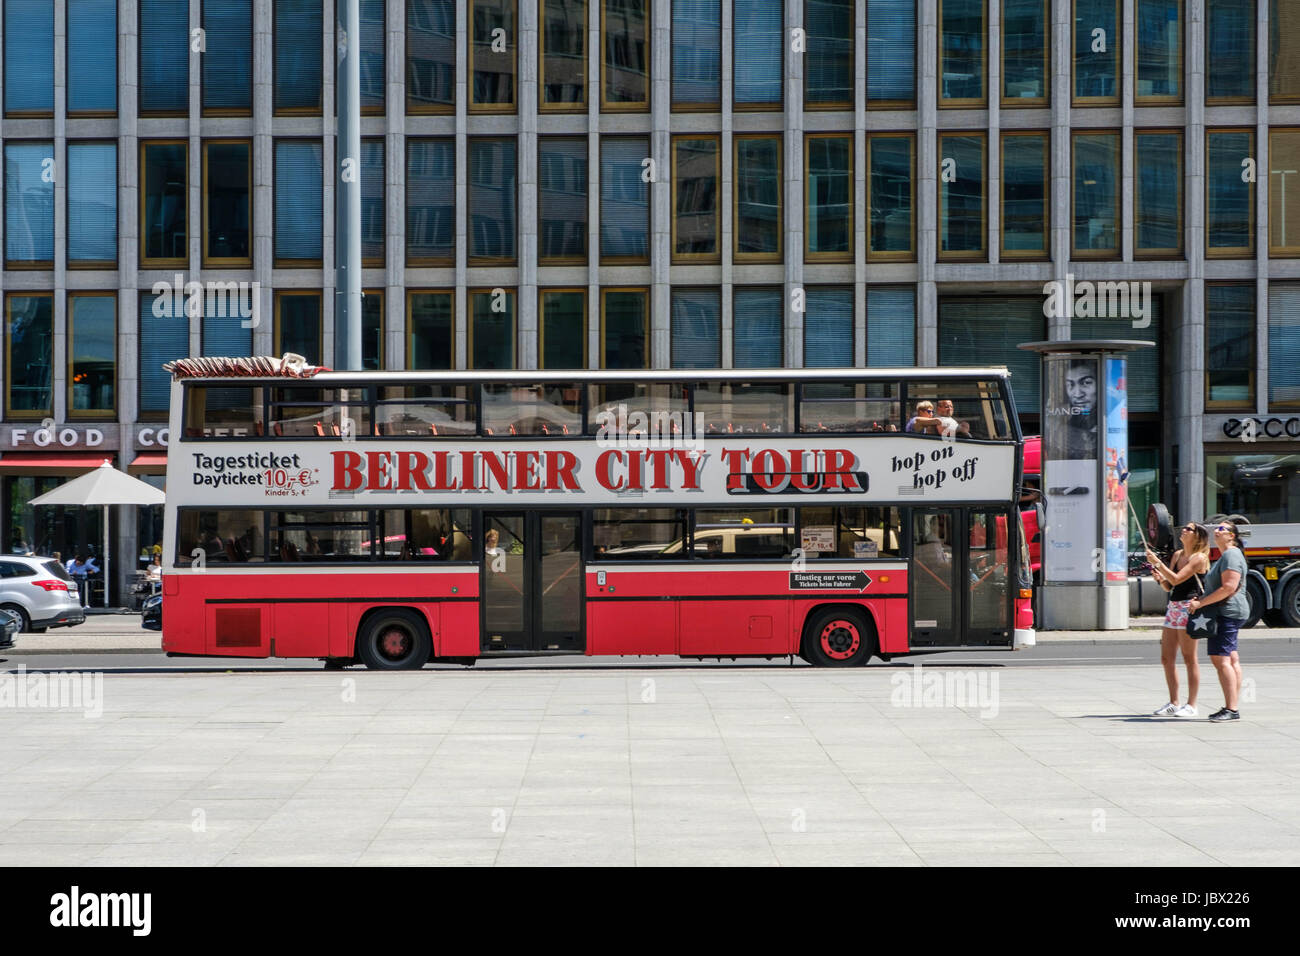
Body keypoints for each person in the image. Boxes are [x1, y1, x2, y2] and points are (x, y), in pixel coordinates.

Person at [1145, 523, 1210, 718]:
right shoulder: (1177, 555)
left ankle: (1192, 704)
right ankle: (1174, 702)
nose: (1184, 530)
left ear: (1198, 536)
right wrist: (1158, 577)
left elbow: (1176, 579)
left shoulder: (1199, 558)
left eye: (1189, 529)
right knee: (1166, 658)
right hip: (1174, 607)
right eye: (1184, 528)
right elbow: (1168, 585)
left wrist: (1157, 563)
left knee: (1190, 658)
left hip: (1189, 608)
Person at [1189, 521, 1249, 721]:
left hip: (1227, 612)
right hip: (1230, 610)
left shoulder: (1231, 555)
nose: (1216, 531)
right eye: (1216, 528)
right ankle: (1233, 705)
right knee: (1231, 658)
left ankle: (1231, 709)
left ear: (1232, 535)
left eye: (1222, 529)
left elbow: (1228, 587)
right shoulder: (1229, 555)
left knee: (1221, 659)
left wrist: (1201, 603)